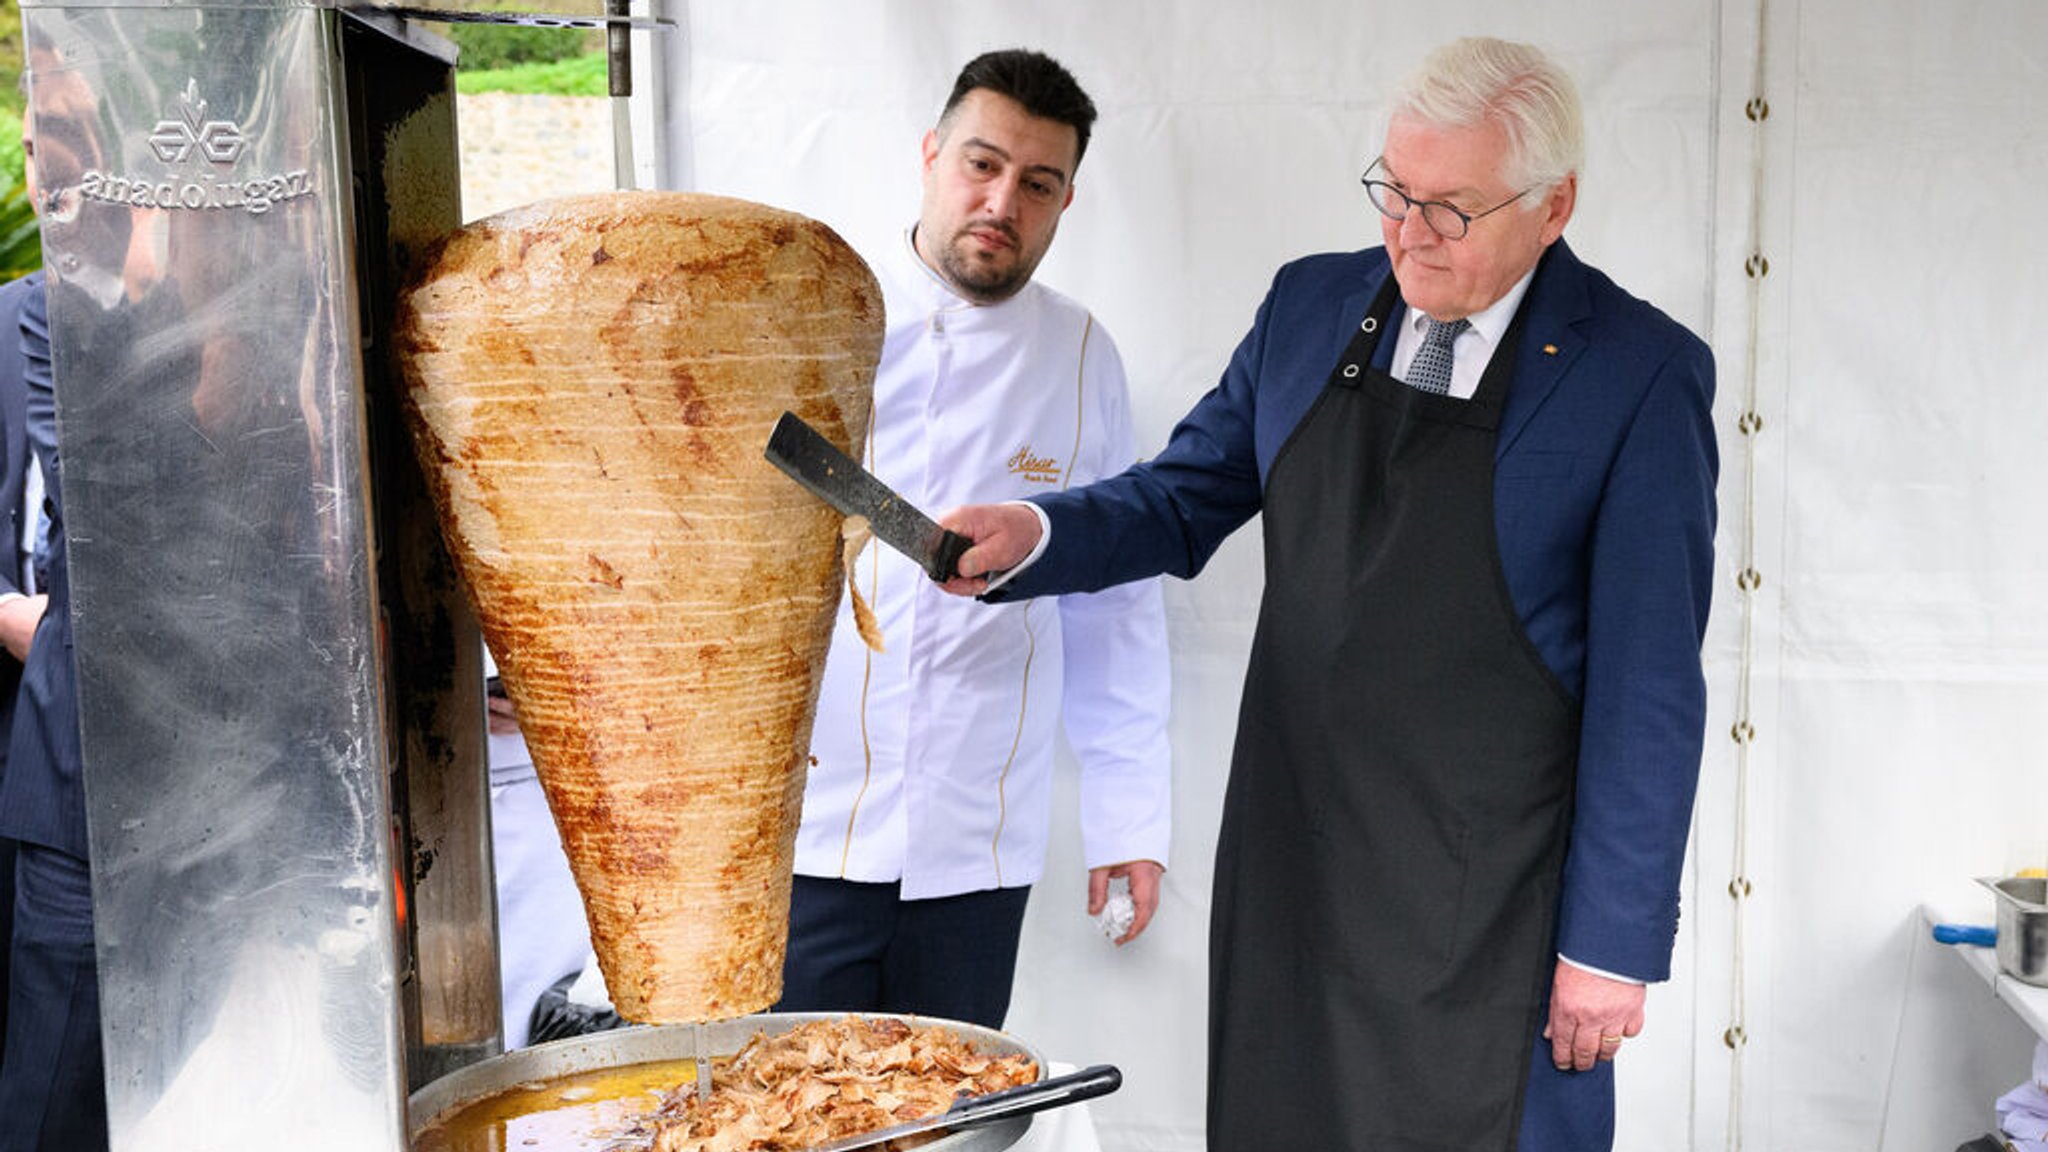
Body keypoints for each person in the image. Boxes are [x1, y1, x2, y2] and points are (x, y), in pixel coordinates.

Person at [938, 37, 1717, 1150]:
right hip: (1293, 865)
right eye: (1392, 190)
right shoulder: (1311, 304)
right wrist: (1038, 532)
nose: (1406, 231)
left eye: (1448, 208)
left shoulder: (1636, 375)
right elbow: (1180, 496)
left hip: (1487, 900)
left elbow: (1649, 690)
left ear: (1552, 209)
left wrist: (1610, 947)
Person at [775, 48, 1173, 1030]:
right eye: (980, 165)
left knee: (951, 1123)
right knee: (776, 1120)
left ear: (1066, 200)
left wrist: (1129, 822)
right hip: (804, 831)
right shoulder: (812, 319)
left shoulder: (1082, 356)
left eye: (1037, 183)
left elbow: (1114, 600)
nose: (1002, 200)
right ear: (929, 154)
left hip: (977, 842)